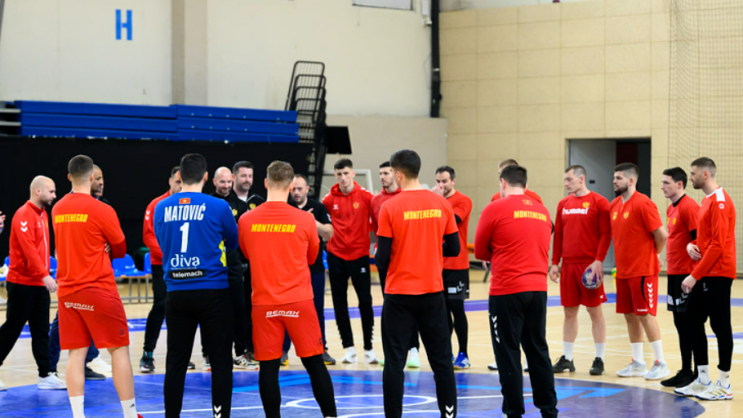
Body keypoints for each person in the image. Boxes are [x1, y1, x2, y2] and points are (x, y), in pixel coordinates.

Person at [239, 161, 337, 418]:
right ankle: (330, 416)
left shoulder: (247, 220)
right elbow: (312, 257)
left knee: (269, 367)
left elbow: (247, 254)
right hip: (299, 301)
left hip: (264, 304)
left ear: (265, 182)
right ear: (292, 185)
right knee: (314, 362)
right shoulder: (305, 219)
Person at [53, 155, 140, 418]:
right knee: (119, 350)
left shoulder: (57, 208)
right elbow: (121, 248)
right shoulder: (101, 209)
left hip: (67, 291)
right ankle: (130, 414)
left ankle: (78, 415)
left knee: (75, 354)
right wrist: (107, 246)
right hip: (98, 289)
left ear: (69, 177)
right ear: (92, 176)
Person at [375, 149, 459, 418]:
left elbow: (382, 259)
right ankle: (448, 415)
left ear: (398, 174)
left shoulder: (390, 207)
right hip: (432, 294)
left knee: (394, 363)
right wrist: (430, 249)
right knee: (442, 361)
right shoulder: (441, 203)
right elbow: (455, 248)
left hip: (399, 296)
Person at [155, 153, 238, 418]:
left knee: (176, 361)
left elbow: (161, 242)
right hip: (213, 290)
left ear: (179, 176)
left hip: (177, 292)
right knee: (221, 360)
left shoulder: (161, 207)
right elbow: (233, 242)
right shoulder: (218, 206)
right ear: (205, 176)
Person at [474, 164, 558, 418]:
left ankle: (513, 411)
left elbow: (480, 250)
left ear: (503, 182)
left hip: (507, 290)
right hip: (538, 290)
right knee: (537, 350)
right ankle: (549, 409)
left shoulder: (495, 208)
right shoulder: (542, 211)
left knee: (507, 353)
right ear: (525, 184)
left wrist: (500, 252)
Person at [675, 157, 736, 400]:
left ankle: (724, 385)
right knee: (691, 320)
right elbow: (706, 239)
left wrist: (694, 275)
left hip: (718, 273)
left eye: (692, 174)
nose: (690, 178)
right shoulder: (706, 201)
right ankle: (702, 380)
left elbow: (718, 245)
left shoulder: (719, 202)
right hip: (706, 271)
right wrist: (691, 245)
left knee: (720, 326)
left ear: (705, 174)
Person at [0, 176, 65, 391]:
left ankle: (45, 375)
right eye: (51, 191)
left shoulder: (43, 214)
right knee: (12, 329)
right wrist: (45, 274)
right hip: (22, 284)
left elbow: (42, 249)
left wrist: (44, 275)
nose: (54, 195)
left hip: (38, 284)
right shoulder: (23, 215)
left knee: (41, 331)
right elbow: (29, 250)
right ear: (38, 191)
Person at [549, 165, 611, 376]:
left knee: (594, 311)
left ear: (581, 178)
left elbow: (605, 234)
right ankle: (567, 358)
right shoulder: (563, 204)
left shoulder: (599, 202)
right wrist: (555, 262)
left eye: (569, 179)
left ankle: (599, 358)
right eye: (565, 180)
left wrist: (599, 260)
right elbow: (558, 235)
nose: (565, 183)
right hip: (568, 265)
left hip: (589, 266)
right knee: (569, 312)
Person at [610, 163, 669, 380]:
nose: (614, 181)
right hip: (623, 272)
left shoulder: (643, 203)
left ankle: (660, 362)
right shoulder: (614, 205)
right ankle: (638, 363)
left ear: (631, 180)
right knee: (630, 316)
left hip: (642, 270)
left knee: (645, 315)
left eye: (618, 178)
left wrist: (654, 254)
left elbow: (662, 235)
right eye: (614, 177)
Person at [322, 158, 379, 364]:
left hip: (359, 256)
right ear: (335, 176)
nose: (343, 178)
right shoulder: (328, 200)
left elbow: (378, 223)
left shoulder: (366, 197)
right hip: (336, 256)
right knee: (339, 303)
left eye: (346, 173)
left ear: (353, 174)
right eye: (339, 174)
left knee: (365, 301)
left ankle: (369, 349)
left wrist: (376, 243)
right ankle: (349, 348)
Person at [486, 158, 541, 371]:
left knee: (527, 325)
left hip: (526, 269)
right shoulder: (495, 199)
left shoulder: (533, 199)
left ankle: (526, 358)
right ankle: (502, 356)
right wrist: (489, 255)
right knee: (504, 323)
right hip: (504, 267)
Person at [140, 166, 193, 373]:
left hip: (184, 265)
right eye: (177, 182)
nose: (180, 186)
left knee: (183, 308)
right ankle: (147, 354)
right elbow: (148, 236)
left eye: (183, 182)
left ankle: (180, 355)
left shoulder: (189, 205)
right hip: (162, 265)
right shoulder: (156, 204)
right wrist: (170, 255)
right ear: (170, 181)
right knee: (160, 305)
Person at [370, 161, 419, 368]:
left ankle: (414, 350)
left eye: (386, 173)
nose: (383, 177)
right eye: (380, 173)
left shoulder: (405, 197)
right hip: (385, 261)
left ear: (397, 174)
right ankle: (393, 352)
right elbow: (376, 228)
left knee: (412, 306)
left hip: (406, 261)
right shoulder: (376, 200)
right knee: (390, 307)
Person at [285, 173, 335, 365]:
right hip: (290, 268)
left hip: (314, 267)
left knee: (316, 309)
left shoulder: (319, 208)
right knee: (287, 310)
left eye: (300, 188)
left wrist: (310, 220)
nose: (297, 192)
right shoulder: (286, 207)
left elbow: (329, 233)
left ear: (307, 189)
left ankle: (321, 349)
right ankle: (283, 351)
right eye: (294, 189)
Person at [659, 167, 701, 388]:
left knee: (689, 322)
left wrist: (695, 275)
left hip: (687, 275)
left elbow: (699, 240)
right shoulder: (671, 208)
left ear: (679, 184)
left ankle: (697, 373)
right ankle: (686, 370)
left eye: (666, 183)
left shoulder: (689, 207)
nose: (662, 187)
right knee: (679, 322)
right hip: (674, 274)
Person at [433, 165, 473, 370]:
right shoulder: (435, 202)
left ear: (453, 181)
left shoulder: (463, 200)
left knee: (457, 309)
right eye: (438, 181)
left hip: (456, 265)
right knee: (441, 312)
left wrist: (437, 200)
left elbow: (451, 221)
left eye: (445, 181)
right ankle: (445, 352)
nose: (441, 185)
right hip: (436, 264)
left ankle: (463, 354)